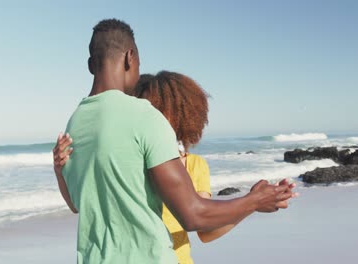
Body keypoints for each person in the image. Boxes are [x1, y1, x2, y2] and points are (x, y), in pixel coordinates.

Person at [53, 18, 295, 264]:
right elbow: (194, 216)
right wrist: (254, 200)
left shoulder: (75, 124)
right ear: (130, 57)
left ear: (90, 65)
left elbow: (77, 204)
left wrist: (59, 171)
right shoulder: (144, 117)